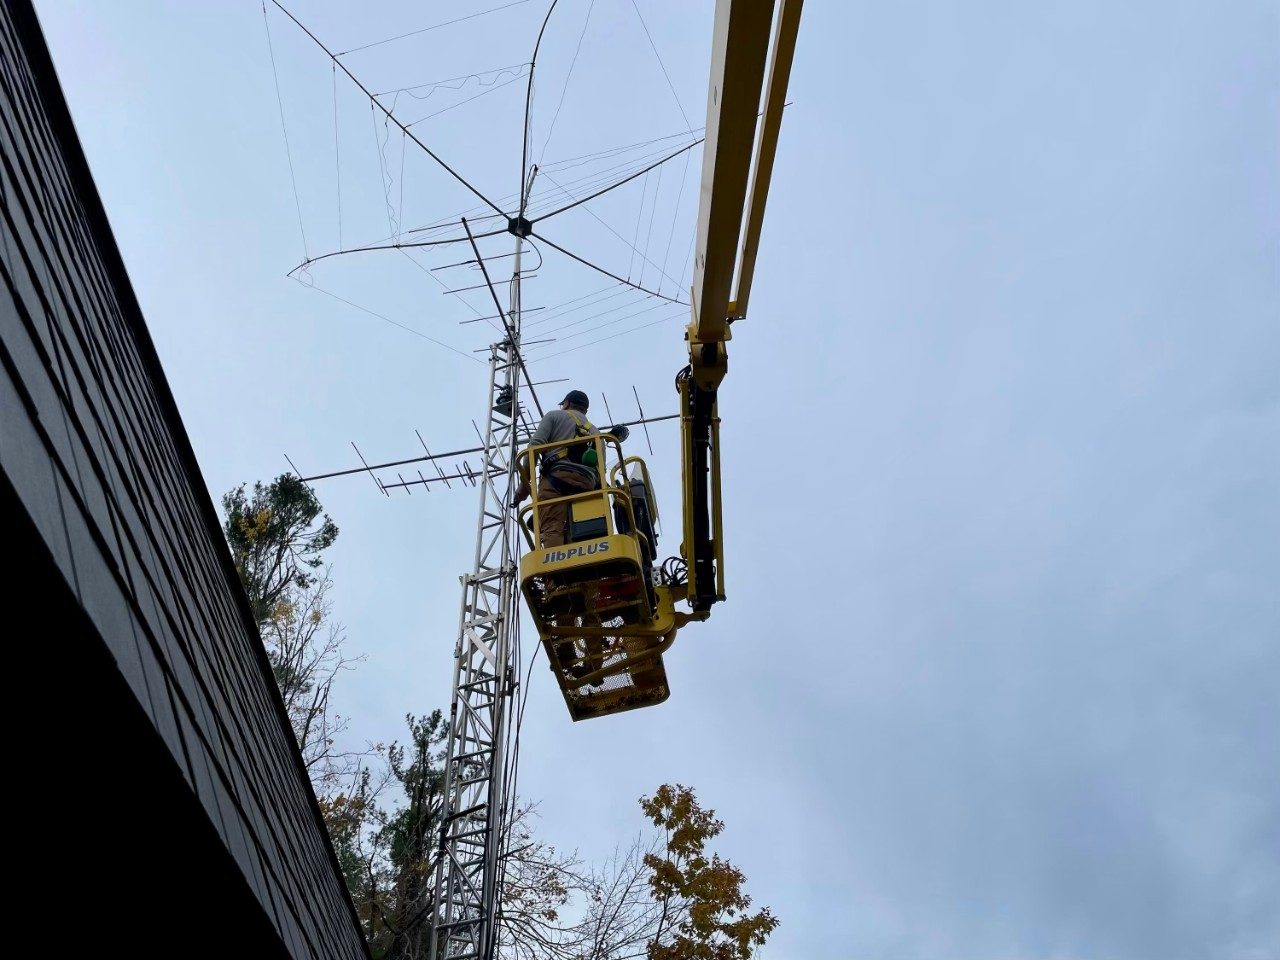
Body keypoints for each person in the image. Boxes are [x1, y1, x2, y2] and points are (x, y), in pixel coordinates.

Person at [512, 389, 599, 547]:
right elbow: (600, 473)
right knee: (581, 527)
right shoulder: (596, 432)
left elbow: (534, 448)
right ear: (585, 409)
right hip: (587, 486)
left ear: (567, 404)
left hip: (555, 480)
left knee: (552, 526)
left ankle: (555, 567)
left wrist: (524, 487)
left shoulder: (554, 416)